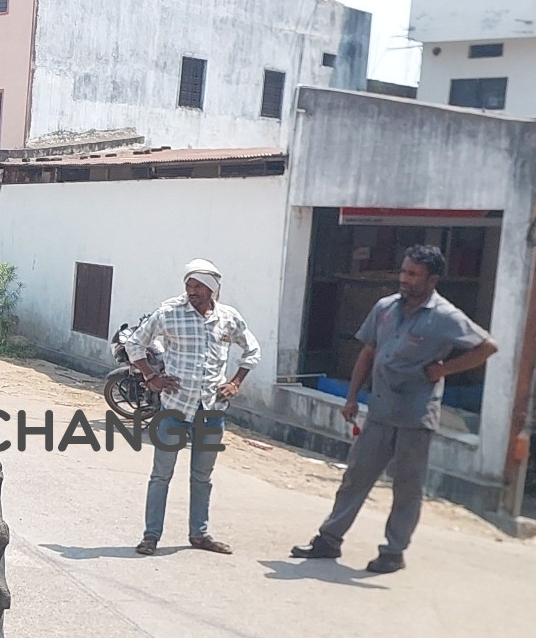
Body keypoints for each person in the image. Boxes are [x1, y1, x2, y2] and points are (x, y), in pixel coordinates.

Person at [290, 245, 498, 573]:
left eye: (413, 274)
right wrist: (352, 397)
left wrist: (443, 371)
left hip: (416, 415)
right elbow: (368, 352)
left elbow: (487, 346)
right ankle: (328, 540)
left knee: (406, 487)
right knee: (355, 478)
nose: (405, 279)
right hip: (380, 411)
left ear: (432, 279)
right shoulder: (385, 308)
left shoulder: (445, 316)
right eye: (403, 271)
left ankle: (393, 552)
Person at [129, 259, 262, 556]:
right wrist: (151, 377)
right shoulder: (169, 314)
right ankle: (151, 537)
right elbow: (135, 344)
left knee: (202, 477)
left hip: (211, 411)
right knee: (161, 474)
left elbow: (252, 350)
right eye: (188, 285)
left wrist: (236, 382)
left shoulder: (228, 318)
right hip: (175, 408)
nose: (192, 291)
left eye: (198, 286)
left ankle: (199, 535)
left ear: (212, 288)